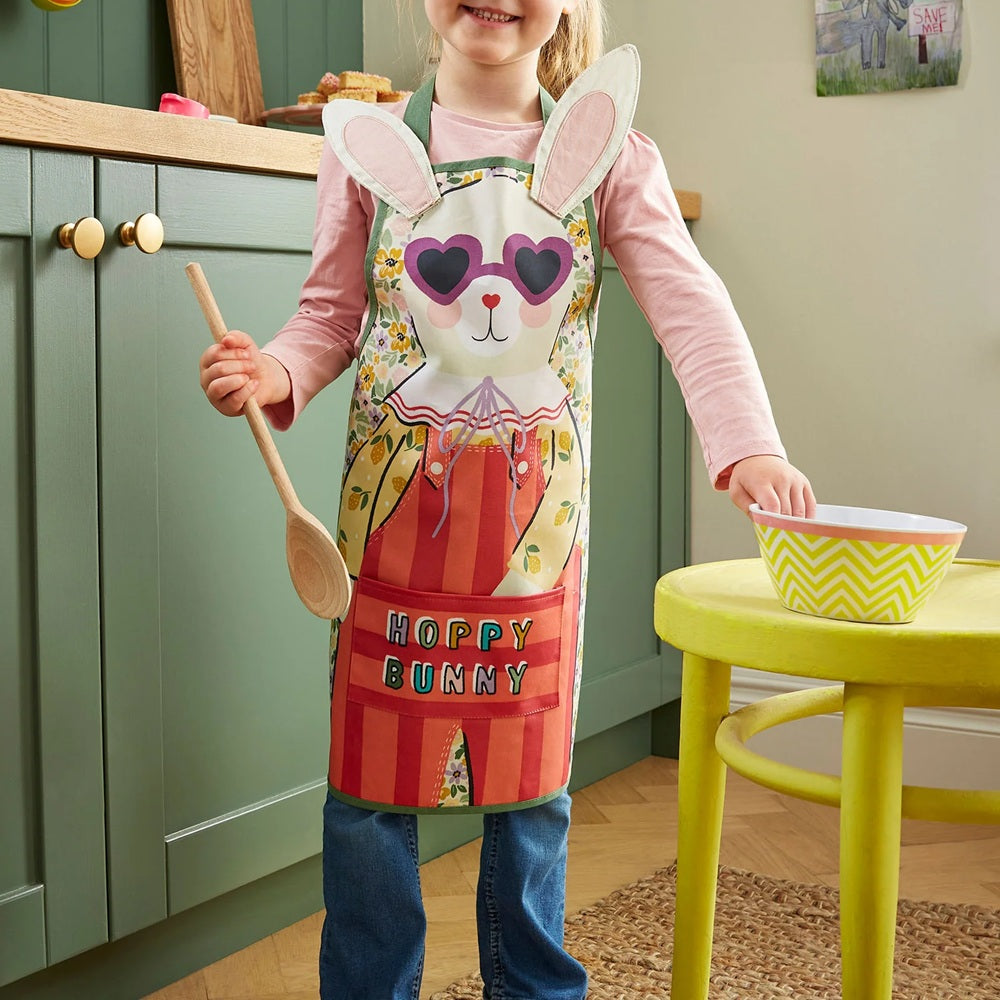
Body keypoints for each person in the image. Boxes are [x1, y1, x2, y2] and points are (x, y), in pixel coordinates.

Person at [198, 2, 815, 997]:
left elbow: (690, 307)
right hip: (389, 532)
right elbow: (328, 317)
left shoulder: (609, 155)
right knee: (369, 790)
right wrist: (274, 370)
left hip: (534, 540)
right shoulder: (365, 148)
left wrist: (746, 445)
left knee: (530, 788)